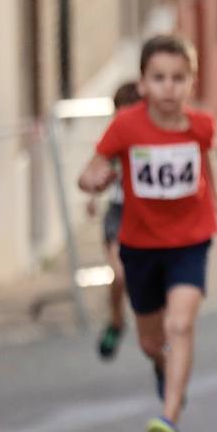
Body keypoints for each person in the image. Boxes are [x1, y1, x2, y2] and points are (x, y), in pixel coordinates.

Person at [77, 35, 217, 432]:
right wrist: (92, 180)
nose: (169, 87)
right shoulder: (126, 126)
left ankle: (168, 421)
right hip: (140, 244)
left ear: (191, 82)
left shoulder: (202, 124)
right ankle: (166, 373)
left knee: (180, 326)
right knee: (151, 342)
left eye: (178, 78)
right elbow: (91, 170)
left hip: (190, 240)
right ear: (143, 83)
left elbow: (205, 161)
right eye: (159, 78)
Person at [90, 80, 142, 360]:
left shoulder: (151, 139)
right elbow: (97, 170)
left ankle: (154, 324)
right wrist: (91, 196)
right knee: (120, 274)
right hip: (118, 214)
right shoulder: (115, 142)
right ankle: (116, 320)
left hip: (145, 216)